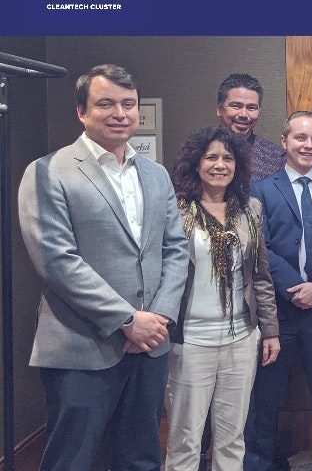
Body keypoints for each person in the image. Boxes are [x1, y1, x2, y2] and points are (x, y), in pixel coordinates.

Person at [18, 64, 189, 470]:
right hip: (82, 347)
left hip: (150, 347)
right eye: (106, 103)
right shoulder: (47, 172)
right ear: (81, 111)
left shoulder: (156, 174)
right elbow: (56, 261)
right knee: (73, 459)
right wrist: (127, 320)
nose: (120, 113)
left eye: (129, 104)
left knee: (141, 457)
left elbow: (175, 249)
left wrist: (157, 318)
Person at [244, 112, 312, 471]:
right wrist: (295, 288)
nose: (308, 146)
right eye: (301, 138)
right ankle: (258, 463)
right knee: (266, 397)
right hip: (277, 313)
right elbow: (259, 248)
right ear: (284, 141)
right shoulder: (260, 190)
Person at [164, 126, 280, 470]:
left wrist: (270, 330)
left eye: (227, 158)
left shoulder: (250, 209)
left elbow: (260, 275)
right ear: (196, 163)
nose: (220, 165)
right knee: (185, 440)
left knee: (232, 439)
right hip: (189, 343)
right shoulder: (176, 209)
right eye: (211, 157)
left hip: (240, 340)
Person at [216, 73, 285, 182]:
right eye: (236, 106)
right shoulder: (199, 149)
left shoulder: (276, 157)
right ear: (220, 109)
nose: (243, 114)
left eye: (251, 108)